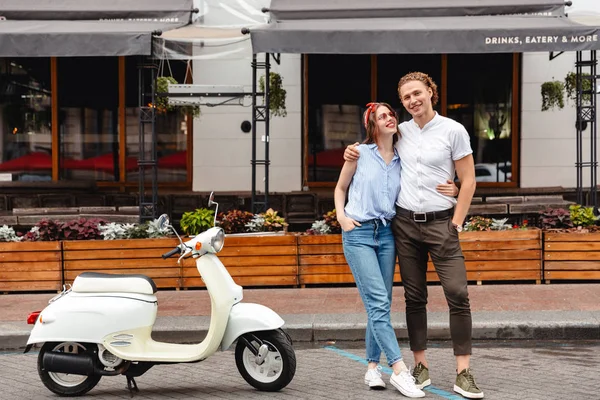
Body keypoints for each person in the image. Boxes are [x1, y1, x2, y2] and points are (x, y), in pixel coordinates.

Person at [344, 72, 483, 399]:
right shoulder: (400, 130)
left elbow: (469, 179)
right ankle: (420, 365)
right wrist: (352, 153)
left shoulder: (453, 130)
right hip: (404, 225)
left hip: (441, 224)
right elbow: (373, 149)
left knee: (457, 293)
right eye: (406, 97)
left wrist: (457, 219)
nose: (412, 101)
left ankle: (464, 372)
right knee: (414, 296)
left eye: (417, 93)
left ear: (430, 93)